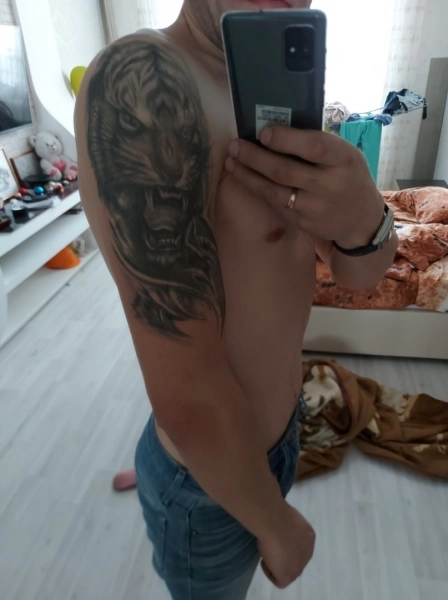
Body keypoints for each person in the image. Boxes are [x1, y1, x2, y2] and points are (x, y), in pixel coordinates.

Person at [74, 1, 398, 598]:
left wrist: (367, 220)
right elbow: (186, 386)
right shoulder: (147, 83)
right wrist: (277, 526)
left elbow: (358, 276)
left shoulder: (269, 91)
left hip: (265, 443)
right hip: (212, 488)